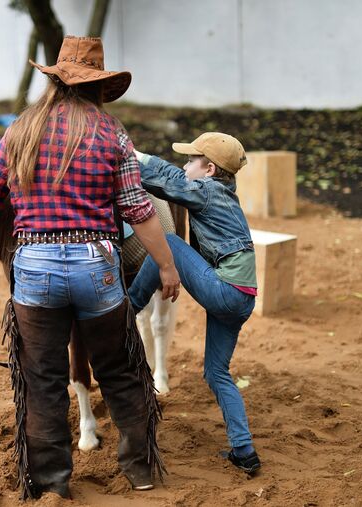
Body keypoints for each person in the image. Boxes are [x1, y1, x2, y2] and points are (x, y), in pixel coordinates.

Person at [0, 36, 181, 499]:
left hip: (34, 267)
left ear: (56, 80)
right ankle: (139, 472)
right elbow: (138, 210)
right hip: (96, 264)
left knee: (42, 380)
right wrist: (167, 266)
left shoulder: (21, 130)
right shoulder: (111, 132)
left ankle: (53, 483)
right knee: (119, 370)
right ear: (98, 85)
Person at [129, 132, 262, 474]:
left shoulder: (206, 191)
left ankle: (129, 309)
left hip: (224, 290)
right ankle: (244, 450)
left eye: (192, 160)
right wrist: (136, 152)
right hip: (242, 298)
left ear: (211, 169)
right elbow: (173, 174)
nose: (185, 165)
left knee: (168, 243)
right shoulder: (219, 191)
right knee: (217, 372)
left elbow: (163, 181)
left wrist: (124, 159)